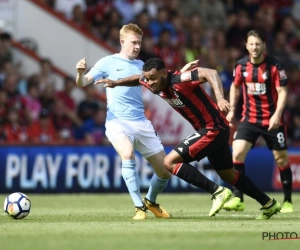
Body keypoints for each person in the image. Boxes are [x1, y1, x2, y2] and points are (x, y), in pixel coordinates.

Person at [76, 23, 232, 220]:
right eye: (133, 42)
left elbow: (161, 81)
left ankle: (150, 201)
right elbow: (83, 83)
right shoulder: (107, 62)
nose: (137, 46)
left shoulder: (143, 66)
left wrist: (181, 72)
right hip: (117, 122)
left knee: (165, 170)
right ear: (122, 42)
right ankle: (138, 208)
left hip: (141, 122)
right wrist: (80, 73)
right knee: (127, 154)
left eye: (139, 43)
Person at [96, 57, 282, 220]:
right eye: (148, 78)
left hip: (213, 128)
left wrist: (219, 97)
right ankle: (268, 203)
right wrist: (116, 82)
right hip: (213, 130)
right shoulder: (152, 81)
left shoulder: (179, 79)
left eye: (153, 78)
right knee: (228, 175)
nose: (150, 83)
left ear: (163, 74)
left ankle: (217, 192)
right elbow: (138, 79)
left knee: (168, 162)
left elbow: (210, 72)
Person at [223, 29, 293, 213]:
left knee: (281, 158)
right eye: (251, 44)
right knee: (236, 154)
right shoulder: (240, 66)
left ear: (264, 45)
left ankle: (287, 201)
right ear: (246, 45)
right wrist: (231, 109)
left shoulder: (274, 66)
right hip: (250, 119)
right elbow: (235, 88)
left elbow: (283, 92)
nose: (254, 47)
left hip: (272, 120)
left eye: (258, 44)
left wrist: (277, 114)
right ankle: (238, 198)